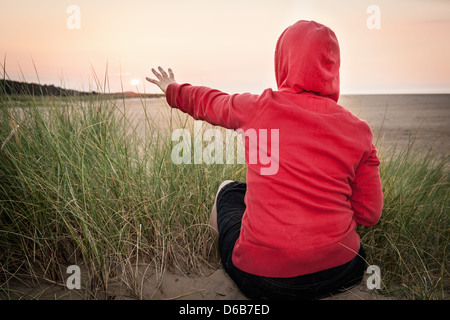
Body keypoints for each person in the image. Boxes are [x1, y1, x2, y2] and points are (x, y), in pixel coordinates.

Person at [146, 20, 383, 300]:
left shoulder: (260, 107)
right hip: (342, 270)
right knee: (250, 195)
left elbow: (212, 102)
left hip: (266, 280)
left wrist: (173, 89)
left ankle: (218, 264)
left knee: (227, 189)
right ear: (333, 68)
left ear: (285, 60)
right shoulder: (359, 129)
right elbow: (370, 214)